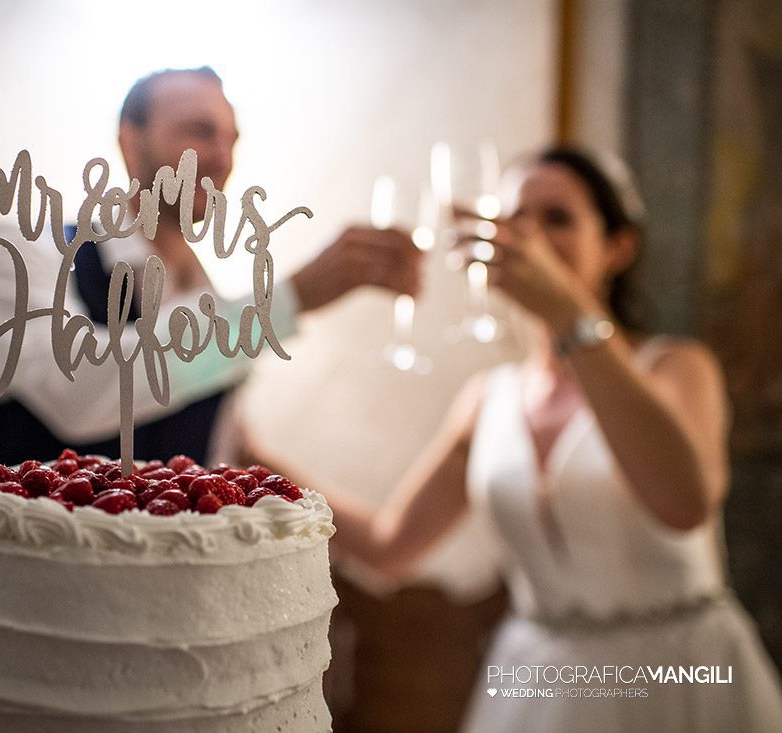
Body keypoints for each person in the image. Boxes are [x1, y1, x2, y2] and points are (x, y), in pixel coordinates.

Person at [318, 146, 782, 731]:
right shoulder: (489, 399)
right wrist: (263, 474)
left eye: (557, 218)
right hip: (543, 683)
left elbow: (686, 502)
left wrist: (569, 312)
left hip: (682, 677)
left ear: (619, 248)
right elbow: (390, 549)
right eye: (515, 217)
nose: (529, 236)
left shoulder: (676, 368)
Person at [0, 66, 423, 465]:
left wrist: (350, 522)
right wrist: (285, 302)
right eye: (199, 132)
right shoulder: (30, 248)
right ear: (130, 141)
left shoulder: (208, 298)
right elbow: (73, 390)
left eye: (231, 141)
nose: (222, 159)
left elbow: (226, 462)